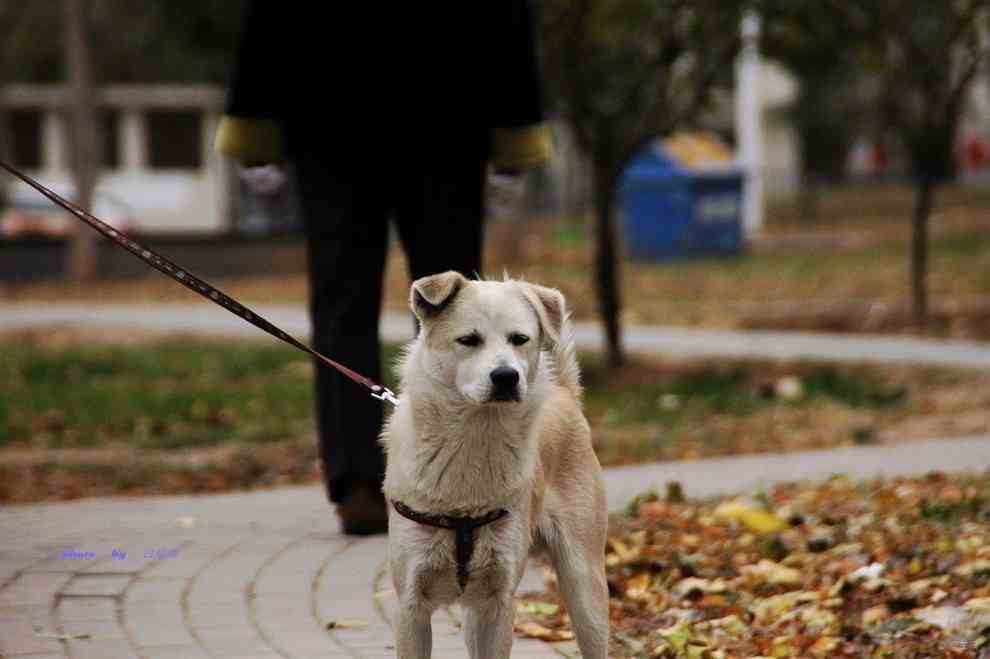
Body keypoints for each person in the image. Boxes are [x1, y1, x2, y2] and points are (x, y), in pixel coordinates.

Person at [215, 2, 552, 534]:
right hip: (439, 114)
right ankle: (416, 477)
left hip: (336, 113)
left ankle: (367, 482)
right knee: (445, 308)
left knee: (374, 309)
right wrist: (513, 139)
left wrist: (255, 128)